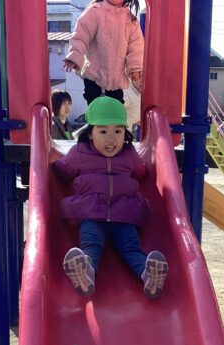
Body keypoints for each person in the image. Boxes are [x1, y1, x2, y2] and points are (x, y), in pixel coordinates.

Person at [52, 96, 168, 299]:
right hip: (91, 214)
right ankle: (86, 274)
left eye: (118, 131)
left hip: (124, 215)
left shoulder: (129, 154)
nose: (111, 139)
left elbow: (141, 172)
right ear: (90, 133)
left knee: (131, 248)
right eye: (103, 131)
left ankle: (148, 276)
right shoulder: (80, 152)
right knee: (91, 245)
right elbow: (62, 171)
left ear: (125, 133)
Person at [63, 0, 143, 105]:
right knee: (95, 108)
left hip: (116, 81)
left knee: (115, 108)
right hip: (94, 77)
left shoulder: (131, 21)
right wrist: (75, 55)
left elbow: (136, 48)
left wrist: (135, 68)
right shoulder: (95, 12)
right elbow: (81, 35)